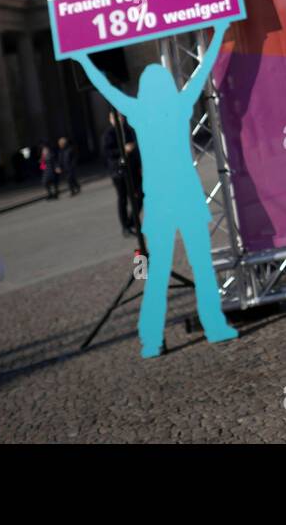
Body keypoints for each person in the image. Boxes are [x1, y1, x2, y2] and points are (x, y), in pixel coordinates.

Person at [75, 23, 238, 356]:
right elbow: (202, 71)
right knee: (202, 268)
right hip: (188, 200)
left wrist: (82, 60)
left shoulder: (138, 113)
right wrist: (217, 33)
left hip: (160, 204)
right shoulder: (179, 108)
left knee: (157, 273)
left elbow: (105, 88)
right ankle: (214, 325)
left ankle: (153, 340)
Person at [103, 111, 143, 236]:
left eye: (120, 116)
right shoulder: (109, 134)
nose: (119, 119)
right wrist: (123, 150)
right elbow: (107, 153)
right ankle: (125, 226)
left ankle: (133, 221)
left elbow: (137, 147)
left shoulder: (129, 130)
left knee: (139, 196)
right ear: (111, 119)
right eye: (115, 117)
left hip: (133, 169)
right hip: (118, 171)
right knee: (123, 198)